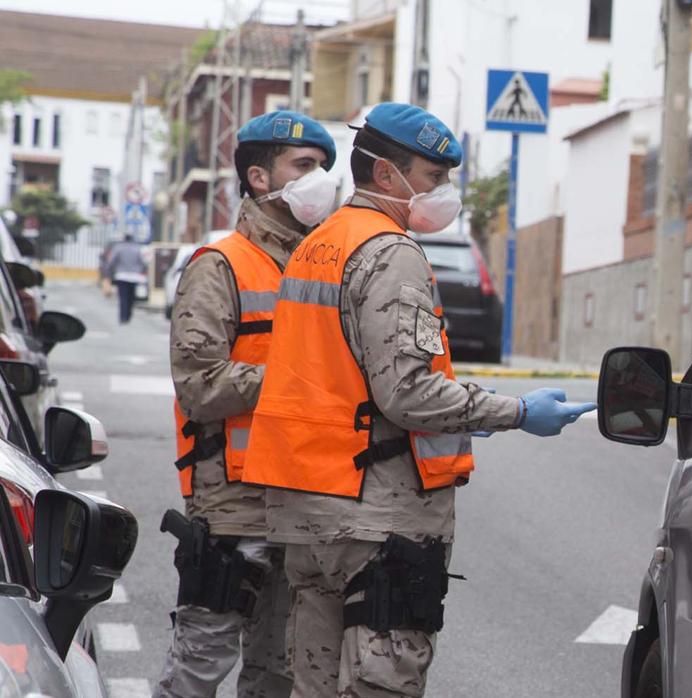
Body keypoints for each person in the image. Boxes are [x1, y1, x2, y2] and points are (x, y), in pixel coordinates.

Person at [241, 103, 595, 697]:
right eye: (434, 178)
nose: (444, 193)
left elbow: (338, 373)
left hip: (308, 507)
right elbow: (407, 392)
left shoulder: (317, 243)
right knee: (383, 683)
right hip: (372, 516)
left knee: (315, 688)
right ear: (387, 176)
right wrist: (517, 412)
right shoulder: (389, 251)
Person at [156, 110, 339, 698]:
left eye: (325, 168)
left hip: (306, 501)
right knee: (199, 666)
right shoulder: (220, 265)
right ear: (261, 178)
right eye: (305, 166)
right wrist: (297, 376)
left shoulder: (325, 267)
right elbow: (200, 385)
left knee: (280, 673)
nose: (321, 181)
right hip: (234, 502)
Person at [105, 233, 146, 323]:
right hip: (134, 277)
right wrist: (141, 270)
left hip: (121, 276)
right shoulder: (137, 248)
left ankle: (123, 317)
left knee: (123, 297)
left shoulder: (119, 248)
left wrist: (109, 271)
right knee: (131, 298)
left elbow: (111, 261)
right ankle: (128, 316)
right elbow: (142, 262)